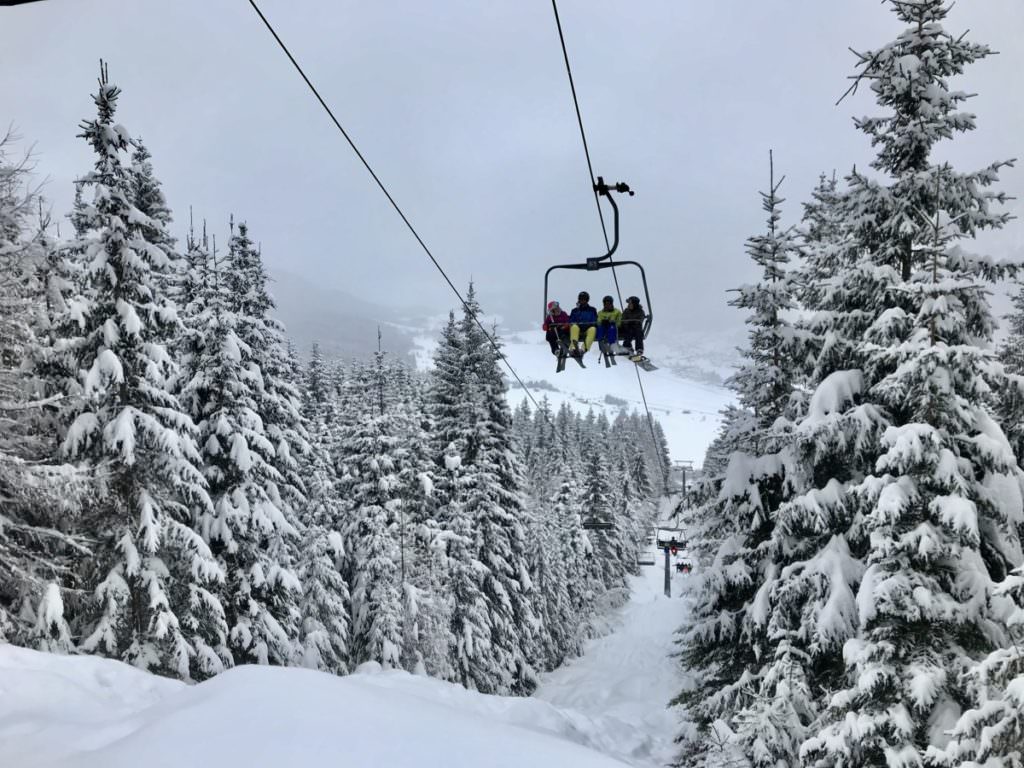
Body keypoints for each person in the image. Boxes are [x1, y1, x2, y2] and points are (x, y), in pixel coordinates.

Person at [568, 291, 598, 355]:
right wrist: (578, 310)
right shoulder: (575, 310)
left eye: (584, 299)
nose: (582, 301)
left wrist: (590, 323)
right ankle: (573, 348)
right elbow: (571, 320)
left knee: (593, 329)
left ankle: (583, 349)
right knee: (574, 327)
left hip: (588, 328)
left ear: (587, 300)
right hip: (578, 329)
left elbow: (594, 320)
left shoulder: (592, 310)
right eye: (581, 299)